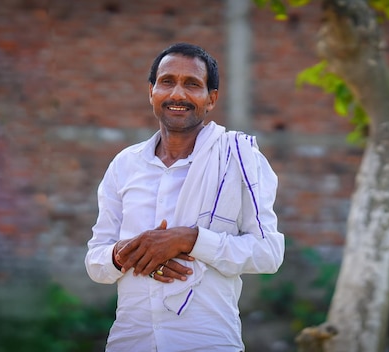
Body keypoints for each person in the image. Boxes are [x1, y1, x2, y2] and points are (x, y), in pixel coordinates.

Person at [85, 42, 285, 352]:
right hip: (130, 340)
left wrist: (190, 240)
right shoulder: (125, 164)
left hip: (206, 340)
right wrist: (133, 254)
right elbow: (96, 261)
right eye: (167, 82)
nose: (178, 94)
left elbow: (269, 253)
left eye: (192, 84)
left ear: (211, 99)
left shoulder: (238, 158)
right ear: (152, 91)